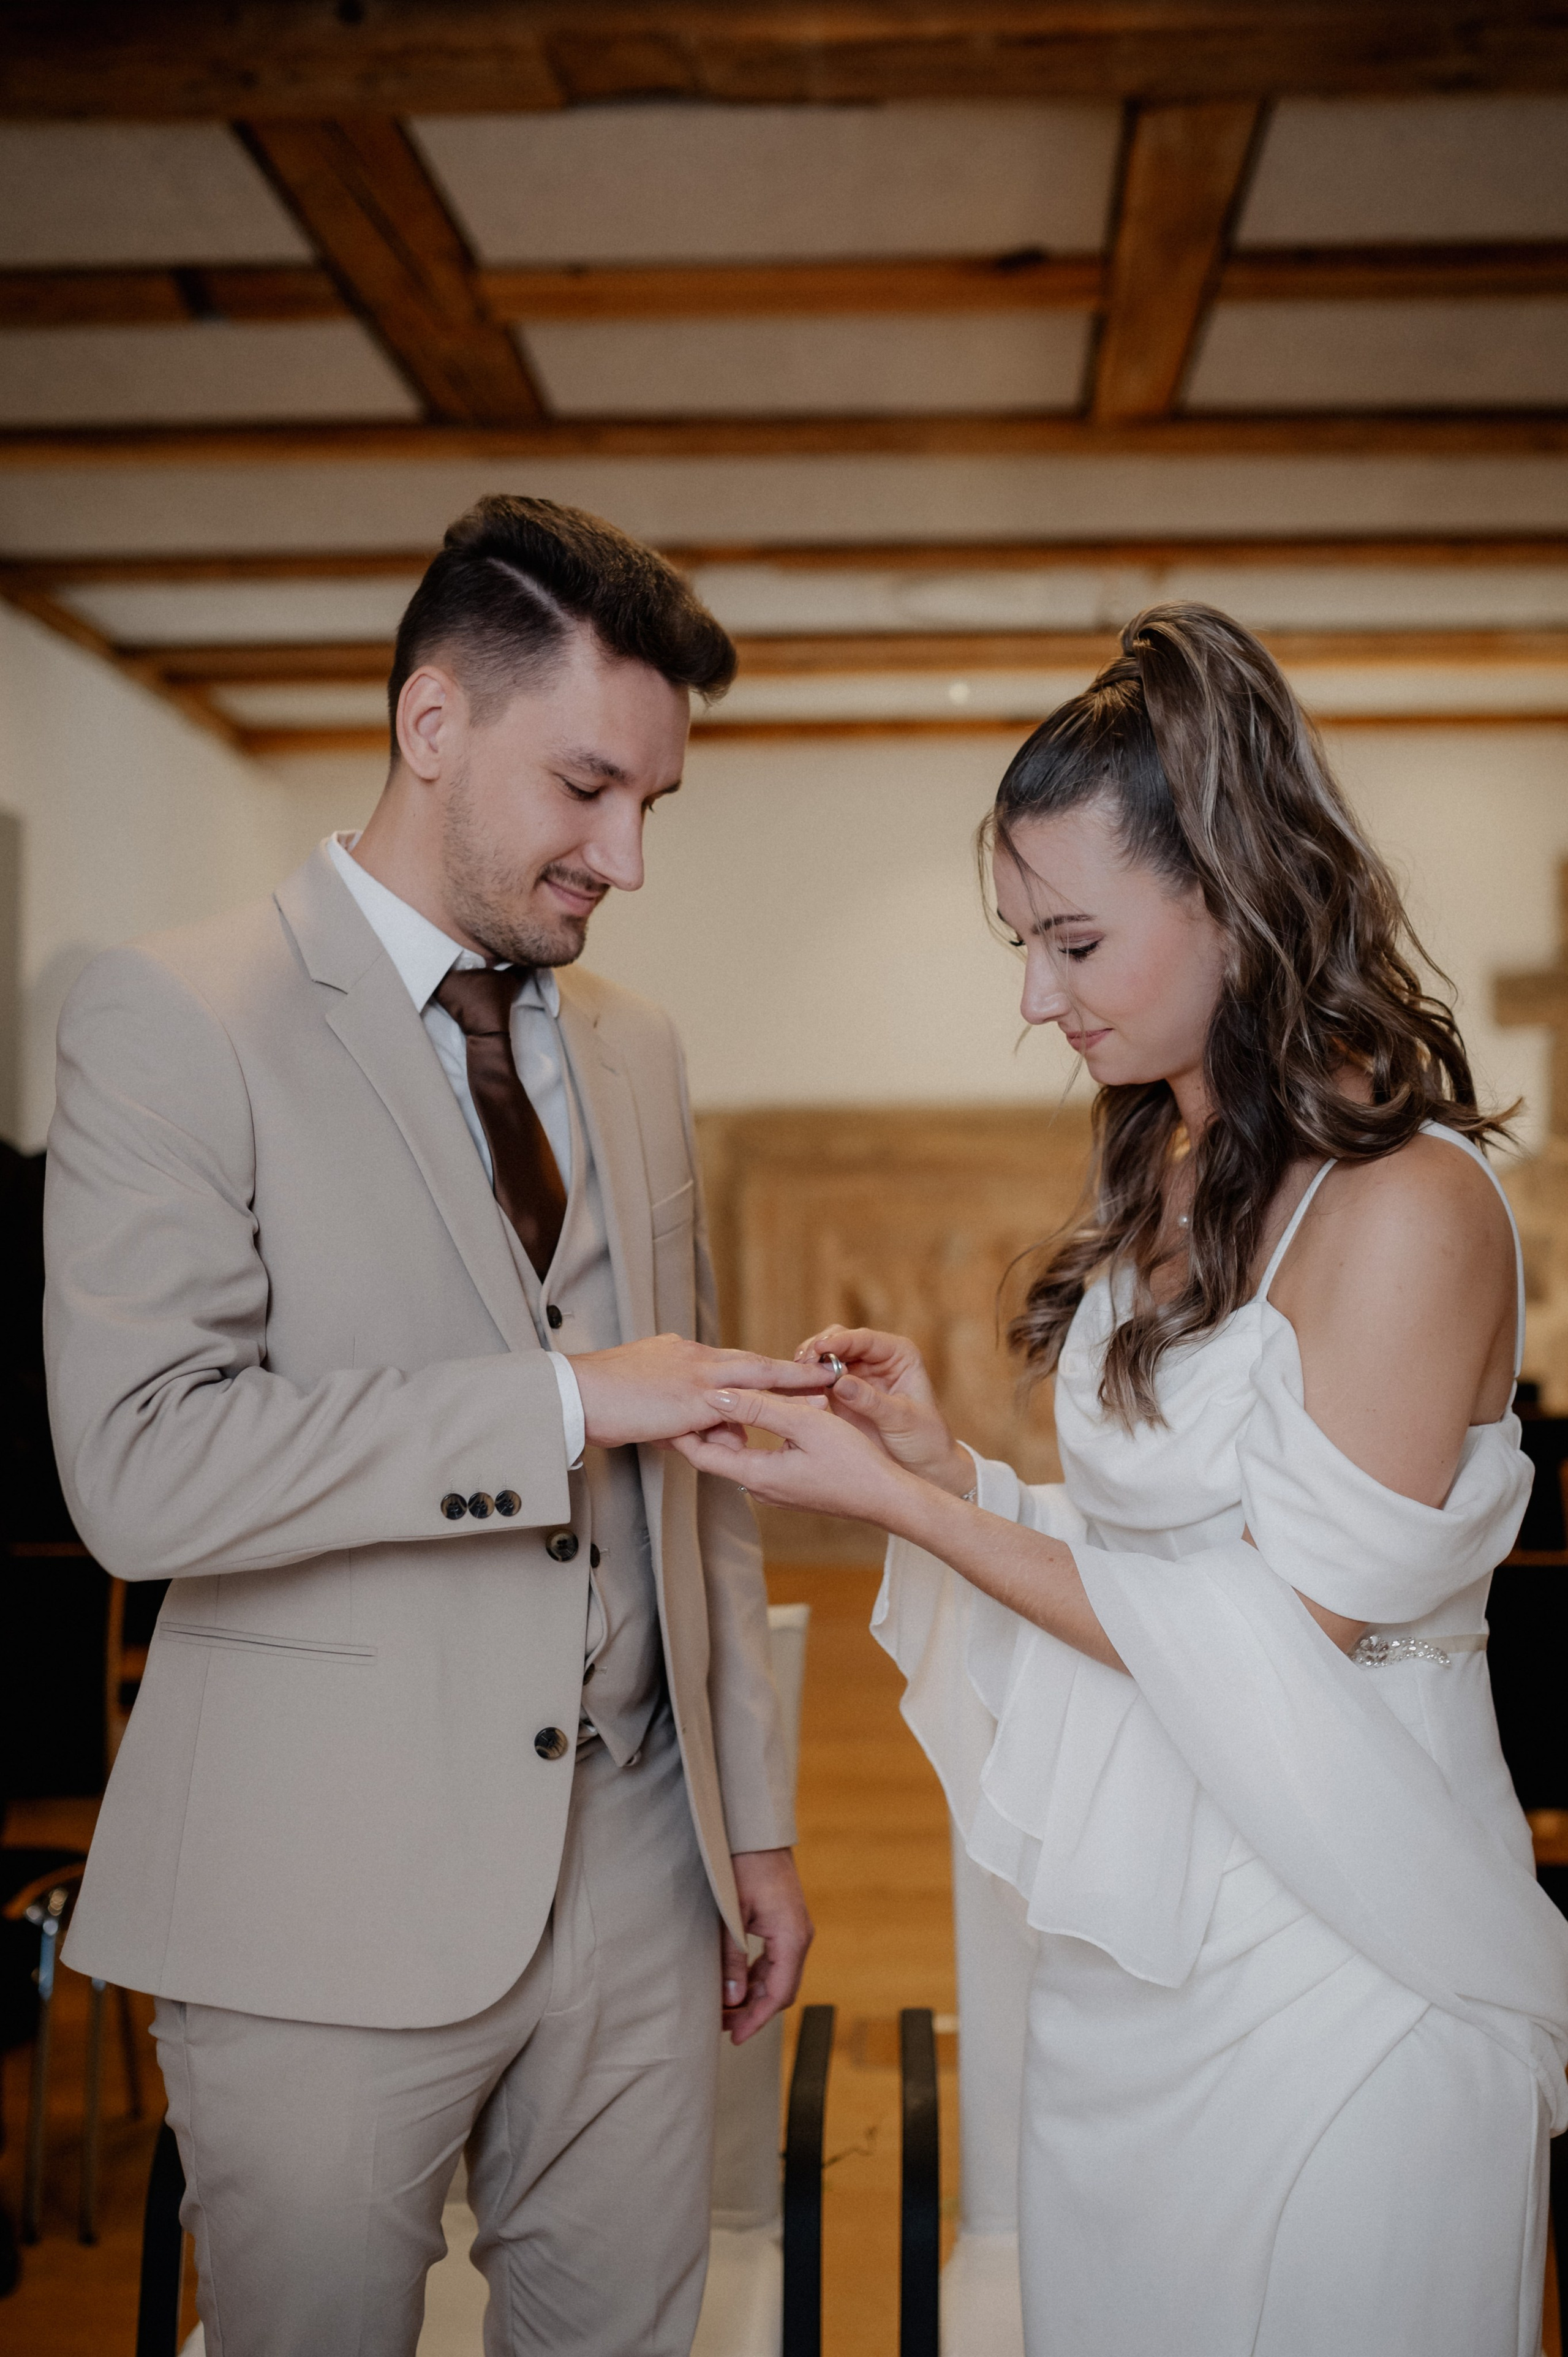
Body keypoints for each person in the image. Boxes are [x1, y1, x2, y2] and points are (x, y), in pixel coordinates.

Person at [674, 605, 1568, 2356]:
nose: (1033, 996)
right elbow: (1177, 1542)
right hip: (1133, 1944)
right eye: (1022, 941)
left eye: (1073, 940)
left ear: (1233, 898)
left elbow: (1276, 1628)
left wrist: (904, 1509)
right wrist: (959, 1474)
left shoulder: (1409, 1208)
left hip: (1342, 1945)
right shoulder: (1173, 1146)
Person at [44, 495, 822, 2357]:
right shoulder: (171, 1012)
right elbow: (143, 1466)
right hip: (317, 1887)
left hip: (645, 1876)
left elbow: (690, 1452)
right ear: (430, 725)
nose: (625, 855)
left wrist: (760, 1827)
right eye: (586, 790)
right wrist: (559, 1400)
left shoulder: (637, 1047)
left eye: (654, 805)